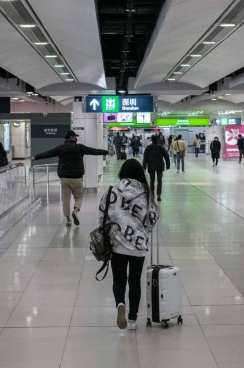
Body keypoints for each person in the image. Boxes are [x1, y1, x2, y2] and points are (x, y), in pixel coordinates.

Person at [100, 159, 158, 331]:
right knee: (135, 281)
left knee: (119, 280)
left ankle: (120, 304)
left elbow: (102, 215)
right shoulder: (146, 192)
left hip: (117, 245)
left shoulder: (112, 190)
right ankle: (132, 319)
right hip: (138, 247)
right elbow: (152, 218)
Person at [34, 130, 108, 226]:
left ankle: (68, 219)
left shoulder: (60, 148)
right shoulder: (79, 147)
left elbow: (48, 153)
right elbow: (93, 151)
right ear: (71, 137)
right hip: (77, 178)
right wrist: (105, 152)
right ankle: (76, 211)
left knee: (66, 200)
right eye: (74, 136)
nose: (76, 138)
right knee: (79, 197)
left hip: (64, 178)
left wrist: (35, 157)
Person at [142, 135, 170, 201]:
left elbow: (145, 158)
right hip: (160, 166)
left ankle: (152, 195)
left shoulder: (148, 148)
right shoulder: (161, 147)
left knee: (152, 181)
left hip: (151, 166)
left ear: (151, 140)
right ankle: (158, 195)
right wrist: (168, 165)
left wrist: (144, 167)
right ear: (157, 140)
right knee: (159, 181)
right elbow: (166, 156)